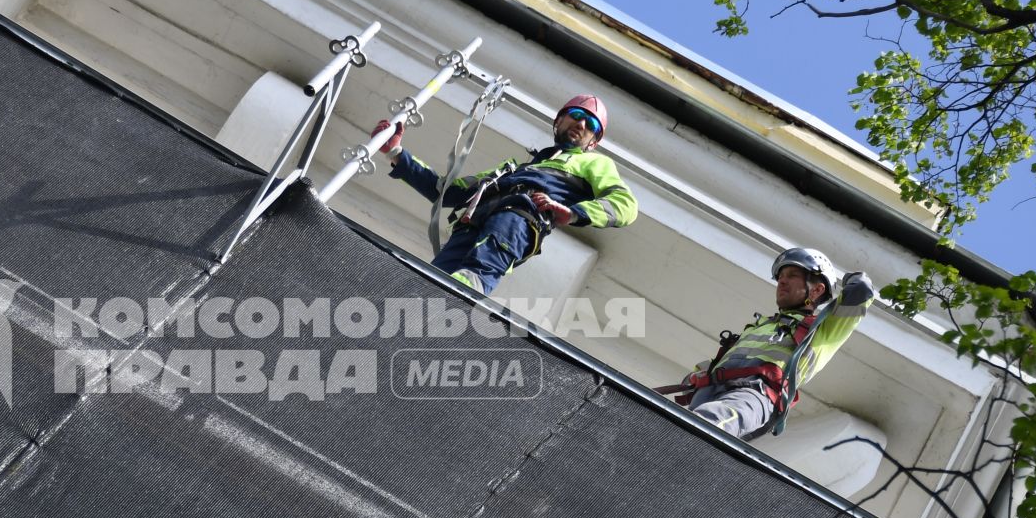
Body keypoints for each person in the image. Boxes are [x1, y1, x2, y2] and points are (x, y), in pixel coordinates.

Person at [372, 94, 638, 294]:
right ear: (558, 121)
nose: (581, 123)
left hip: (518, 219)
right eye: (576, 114)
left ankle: (453, 305)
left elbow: (624, 204)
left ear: (593, 142)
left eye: (590, 123)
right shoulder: (511, 171)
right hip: (473, 224)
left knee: (474, 275)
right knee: (430, 281)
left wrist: (574, 213)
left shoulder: (594, 164)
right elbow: (447, 193)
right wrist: (396, 153)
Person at [670, 247, 876, 440]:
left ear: (817, 290)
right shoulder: (760, 325)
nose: (782, 282)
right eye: (781, 277)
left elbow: (861, 291)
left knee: (713, 420)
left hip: (756, 395)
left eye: (793, 276)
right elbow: (735, 361)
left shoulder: (822, 330)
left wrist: (852, 278)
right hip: (711, 389)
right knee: (679, 427)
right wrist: (697, 374)